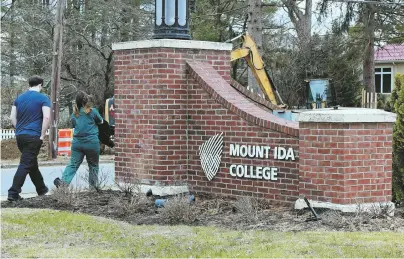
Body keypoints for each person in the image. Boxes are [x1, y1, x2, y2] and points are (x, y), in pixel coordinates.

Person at [8, 76, 51, 201]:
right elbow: (46, 117)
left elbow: (12, 117)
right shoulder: (43, 98)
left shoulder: (19, 98)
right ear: (40, 85)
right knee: (26, 164)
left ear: (29, 84)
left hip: (20, 136)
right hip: (33, 136)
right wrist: (42, 135)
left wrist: (19, 129)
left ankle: (42, 189)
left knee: (31, 163)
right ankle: (13, 192)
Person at [54, 91, 103, 188]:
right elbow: (101, 121)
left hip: (77, 144)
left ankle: (63, 183)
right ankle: (93, 190)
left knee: (73, 164)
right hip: (91, 143)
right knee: (93, 166)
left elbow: (74, 125)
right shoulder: (92, 111)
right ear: (87, 101)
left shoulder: (74, 114)